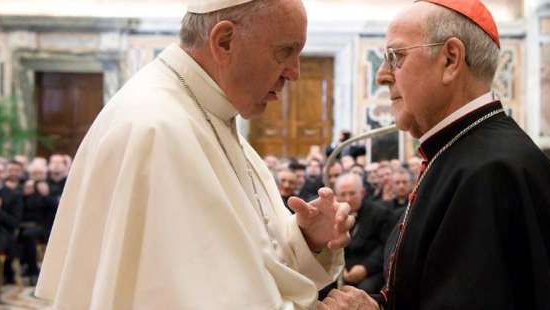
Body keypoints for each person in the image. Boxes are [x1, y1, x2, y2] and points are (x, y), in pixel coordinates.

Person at [36, 1, 355, 308]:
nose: (294, 72)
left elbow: (252, 257)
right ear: (225, 41)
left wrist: (306, 240)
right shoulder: (157, 128)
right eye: (284, 51)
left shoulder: (207, 112)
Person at [320, 0, 550, 308]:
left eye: (395, 57)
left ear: (451, 59)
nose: (382, 76)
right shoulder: (462, 153)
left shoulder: (490, 173)